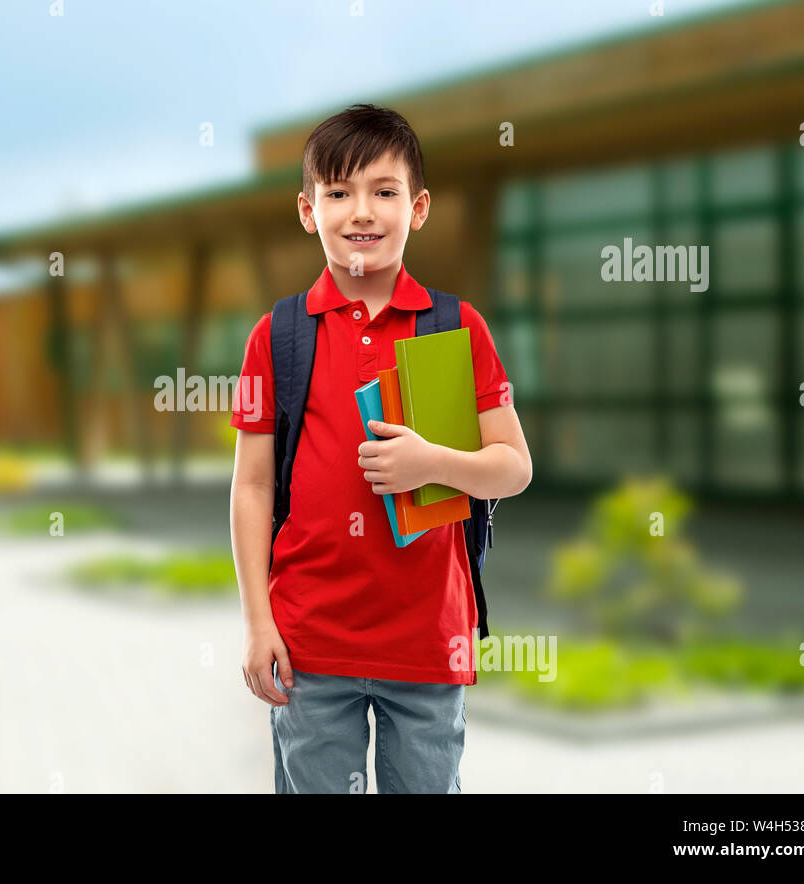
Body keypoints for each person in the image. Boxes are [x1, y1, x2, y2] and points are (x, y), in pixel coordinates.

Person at [229, 103, 533, 793]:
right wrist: (256, 623)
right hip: (309, 642)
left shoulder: (455, 327)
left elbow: (514, 467)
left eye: (384, 191)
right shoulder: (278, 337)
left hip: (428, 641)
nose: (360, 211)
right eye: (338, 192)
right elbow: (250, 488)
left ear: (418, 207)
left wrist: (432, 463)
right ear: (308, 211)